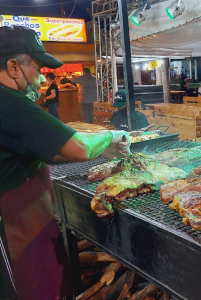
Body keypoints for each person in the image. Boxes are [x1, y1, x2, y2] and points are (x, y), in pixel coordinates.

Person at [0, 26, 131, 300]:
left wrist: (102, 151)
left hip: (27, 220)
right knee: (30, 290)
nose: (41, 77)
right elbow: (79, 148)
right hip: (13, 227)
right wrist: (110, 136)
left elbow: (42, 148)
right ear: (13, 67)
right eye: (38, 67)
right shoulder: (9, 103)